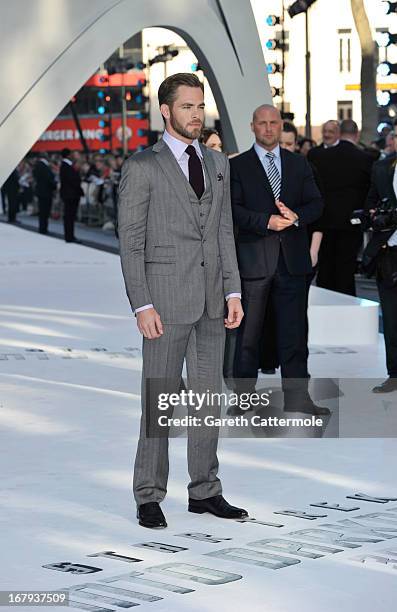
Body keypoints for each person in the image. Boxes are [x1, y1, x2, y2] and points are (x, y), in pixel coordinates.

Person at [118, 72, 247, 529]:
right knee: (160, 401)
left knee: (209, 399)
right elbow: (130, 242)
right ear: (167, 111)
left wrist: (233, 290)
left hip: (213, 300)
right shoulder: (142, 167)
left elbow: (224, 233)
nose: (197, 114)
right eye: (188, 106)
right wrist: (142, 304)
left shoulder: (217, 164)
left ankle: (205, 490)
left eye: (200, 105)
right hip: (165, 302)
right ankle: (149, 493)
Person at [231, 104, 327, 415]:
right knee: (248, 336)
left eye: (274, 123)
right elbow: (233, 211)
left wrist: (297, 216)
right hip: (254, 263)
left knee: (295, 335)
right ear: (252, 126)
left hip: (292, 264)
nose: (269, 128)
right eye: (263, 123)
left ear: (281, 126)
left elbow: (317, 204)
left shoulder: (298, 164)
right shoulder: (239, 166)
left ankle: (298, 399)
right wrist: (266, 222)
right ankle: (244, 399)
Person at [308, 119, 374, 295]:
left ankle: (325, 309)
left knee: (325, 269)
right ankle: (347, 311)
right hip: (351, 223)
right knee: (346, 270)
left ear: (339, 133)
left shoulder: (317, 156)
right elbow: (370, 192)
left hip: (323, 222)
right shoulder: (365, 158)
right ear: (357, 133)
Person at [363, 131, 397, 394]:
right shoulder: (382, 167)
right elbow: (370, 202)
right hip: (388, 251)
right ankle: (394, 374)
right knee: (392, 316)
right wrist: (373, 213)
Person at [59, 148, 84, 243]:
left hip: (70, 195)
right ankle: (69, 236)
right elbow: (73, 180)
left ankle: (70, 235)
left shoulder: (66, 165)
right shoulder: (66, 166)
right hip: (71, 195)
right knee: (69, 216)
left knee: (69, 217)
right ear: (69, 155)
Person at [33, 153, 56, 234]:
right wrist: (54, 186)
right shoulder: (44, 167)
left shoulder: (37, 166)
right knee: (45, 212)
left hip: (41, 192)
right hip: (46, 192)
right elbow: (49, 179)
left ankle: (42, 228)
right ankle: (43, 229)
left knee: (42, 211)